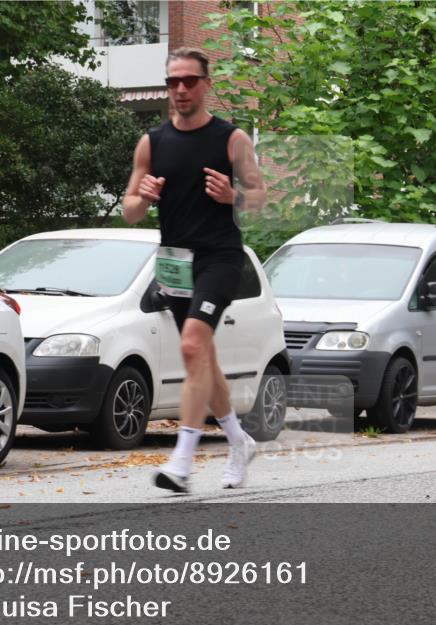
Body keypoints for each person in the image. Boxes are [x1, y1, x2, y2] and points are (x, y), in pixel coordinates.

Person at [122, 47, 266, 493]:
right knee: (202, 356)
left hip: (219, 258)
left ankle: (182, 461)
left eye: (189, 81)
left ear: (206, 84)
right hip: (176, 262)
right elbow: (129, 211)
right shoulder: (152, 142)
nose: (180, 89)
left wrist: (232, 197)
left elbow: (260, 198)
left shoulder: (231, 139)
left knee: (191, 343)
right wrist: (144, 197)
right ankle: (239, 442)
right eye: (173, 82)